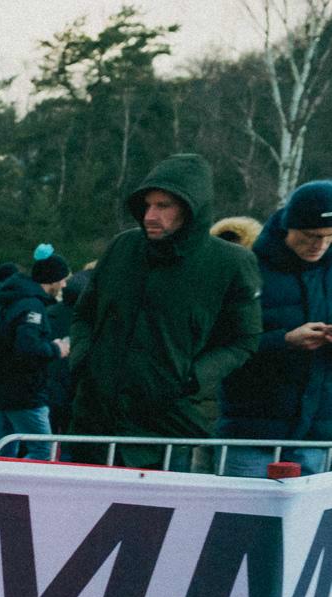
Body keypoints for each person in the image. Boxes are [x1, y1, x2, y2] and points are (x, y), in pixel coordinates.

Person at [68, 153, 262, 469]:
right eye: (147, 205)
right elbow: (84, 313)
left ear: (190, 208)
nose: (150, 215)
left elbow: (244, 340)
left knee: (155, 517)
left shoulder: (230, 263)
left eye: (163, 206)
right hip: (94, 420)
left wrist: (191, 377)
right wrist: (84, 361)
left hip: (167, 426)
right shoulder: (123, 248)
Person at [217, 179, 332, 477]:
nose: (319, 244)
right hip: (252, 434)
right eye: (310, 235)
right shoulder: (247, 269)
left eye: (329, 236)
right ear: (288, 227)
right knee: (239, 521)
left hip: (320, 437)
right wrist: (284, 341)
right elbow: (221, 344)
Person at [0, 246, 71, 459]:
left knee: (4, 452)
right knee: (43, 451)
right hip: (26, 394)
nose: (64, 284)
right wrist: (56, 349)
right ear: (51, 280)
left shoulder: (14, 301)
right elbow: (27, 348)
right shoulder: (32, 306)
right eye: (61, 279)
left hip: (4, 390)